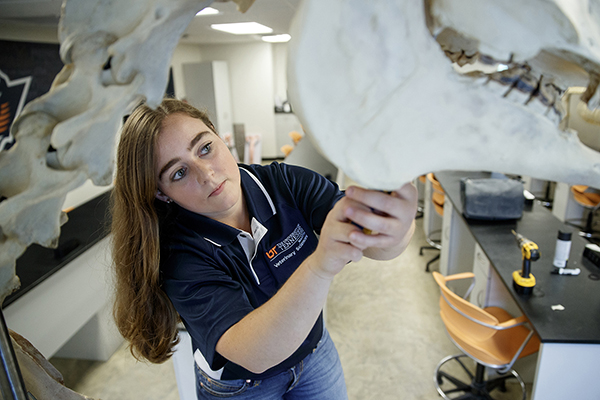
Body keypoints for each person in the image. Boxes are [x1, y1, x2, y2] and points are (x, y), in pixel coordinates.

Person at [111, 98, 417, 399]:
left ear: (219, 135)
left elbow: (377, 243)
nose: (207, 174)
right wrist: (320, 265)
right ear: (161, 194)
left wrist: (395, 224)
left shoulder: (283, 183)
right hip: (241, 386)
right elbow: (255, 353)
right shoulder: (179, 254)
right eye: (179, 172)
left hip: (314, 354)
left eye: (205, 148)